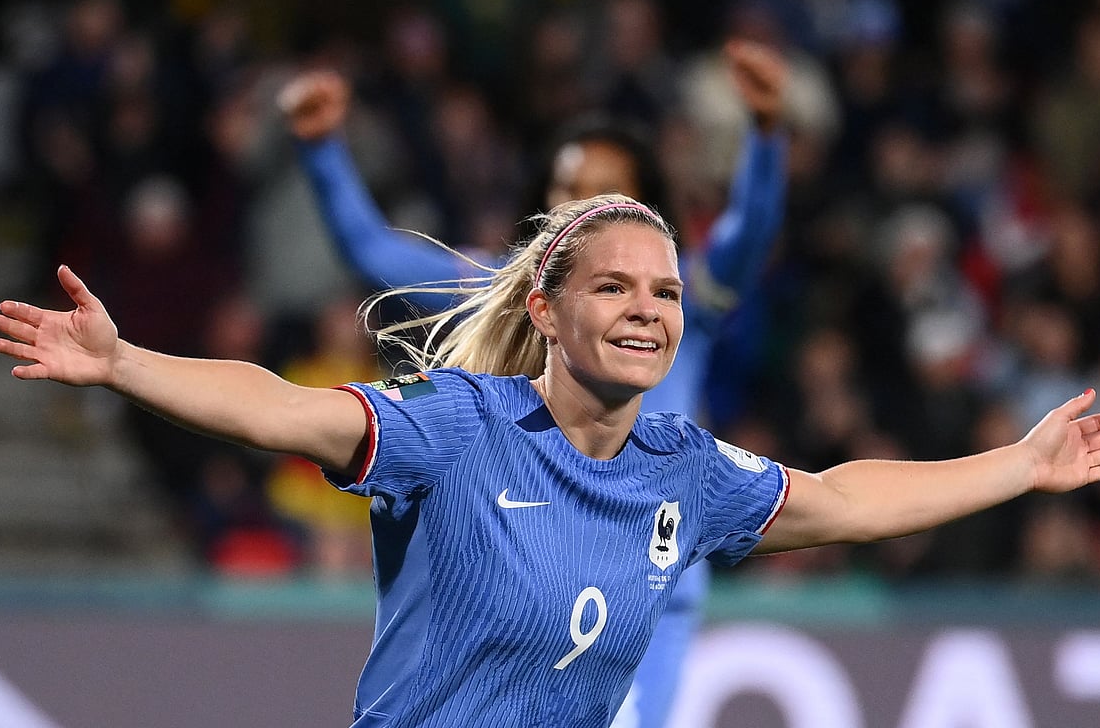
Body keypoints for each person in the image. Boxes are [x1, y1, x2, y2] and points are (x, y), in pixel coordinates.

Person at [0, 193, 1100, 727]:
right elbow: (284, 413)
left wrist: (1019, 463)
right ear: (545, 307)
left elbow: (839, 497)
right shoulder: (459, 424)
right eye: (614, 286)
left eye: (667, 293)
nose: (648, 311)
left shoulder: (684, 470)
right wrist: (128, 362)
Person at [278, 38, 789, 727]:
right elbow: (371, 250)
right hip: (537, 583)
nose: (576, 204)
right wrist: (321, 151)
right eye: (565, 188)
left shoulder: (680, 295)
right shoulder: (512, 289)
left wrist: (764, 136)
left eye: (603, 191)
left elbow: (750, 229)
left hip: (647, 582)